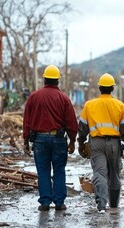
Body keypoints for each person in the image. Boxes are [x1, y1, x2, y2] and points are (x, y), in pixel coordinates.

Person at [23, 64, 78, 211]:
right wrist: (72, 141)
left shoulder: (34, 97)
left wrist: (25, 141)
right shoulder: (64, 99)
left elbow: (27, 120)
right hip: (59, 140)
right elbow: (71, 122)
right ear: (57, 81)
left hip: (39, 140)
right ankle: (59, 203)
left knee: (43, 171)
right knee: (59, 170)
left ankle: (45, 202)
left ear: (44, 80)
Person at [77, 73, 124, 213]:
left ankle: (101, 205)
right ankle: (114, 204)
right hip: (114, 144)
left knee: (99, 173)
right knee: (114, 173)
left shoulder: (90, 105)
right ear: (112, 89)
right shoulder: (120, 105)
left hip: (96, 143)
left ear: (100, 88)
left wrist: (80, 143)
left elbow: (82, 127)